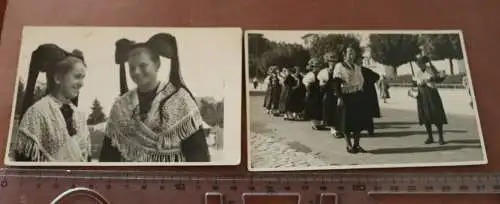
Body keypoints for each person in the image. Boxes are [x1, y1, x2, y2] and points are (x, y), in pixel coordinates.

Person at [99, 33, 210, 162]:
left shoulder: (181, 100)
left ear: (157, 64)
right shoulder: (120, 106)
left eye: (143, 66)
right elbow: (108, 156)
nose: (136, 72)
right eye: (132, 68)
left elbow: (198, 156)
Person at [13, 44, 91, 162]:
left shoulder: (80, 115)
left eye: (83, 78)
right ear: (58, 78)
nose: (82, 84)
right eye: (77, 77)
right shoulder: (37, 112)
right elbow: (24, 161)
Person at [333, 44, 371, 154]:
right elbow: (336, 83)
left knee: (357, 122)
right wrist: (339, 97)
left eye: (353, 53)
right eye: (349, 53)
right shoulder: (339, 66)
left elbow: (361, 82)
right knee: (346, 123)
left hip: (357, 96)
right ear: (344, 54)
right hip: (345, 96)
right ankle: (348, 145)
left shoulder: (357, 67)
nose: (351, 55)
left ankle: (357, 145)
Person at [412, 55, 448, 145]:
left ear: (425, 63)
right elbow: (414, 83)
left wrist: (430, 78)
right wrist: (415, 85)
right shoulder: (417, 72)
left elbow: (439, 78)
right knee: (425, 116)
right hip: (422, 95)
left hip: (432, 94)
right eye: (418, 64)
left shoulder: (431, 69)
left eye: (420, 63)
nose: (419, 65)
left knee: (436, 115)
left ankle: (441, 138)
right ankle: (430, 137)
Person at [318, 52, 340, 137]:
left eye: (334, 61)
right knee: (330, 111)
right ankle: (333, 129)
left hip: (338, 92)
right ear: (328, 62)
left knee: (339, 111)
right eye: (331, 61)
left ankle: (338, 128)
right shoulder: (324, 72)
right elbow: (321, 85)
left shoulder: (339, 71)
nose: (333, 63)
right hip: (329, 93)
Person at [303, 58, 325, 130]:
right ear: (313, 67)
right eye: (315, 67)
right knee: (313, 107)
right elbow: (306, 84)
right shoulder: (311, 75)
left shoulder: (321, 73)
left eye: (318, 66)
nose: (317, 68)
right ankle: (314, 123)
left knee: (318, 107)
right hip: (313, 92)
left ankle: (318, 123)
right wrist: (308, 91)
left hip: (319, 92)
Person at [361, 66, 381, 136]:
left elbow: (377, 76)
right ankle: (369, 130)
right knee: (367, 114)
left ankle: (369, 130)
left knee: (367, 114)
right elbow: (377, 76)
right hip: (365, 94)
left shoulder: (364, 70)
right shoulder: (359, 70)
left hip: (366, 95)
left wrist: (368, 83)